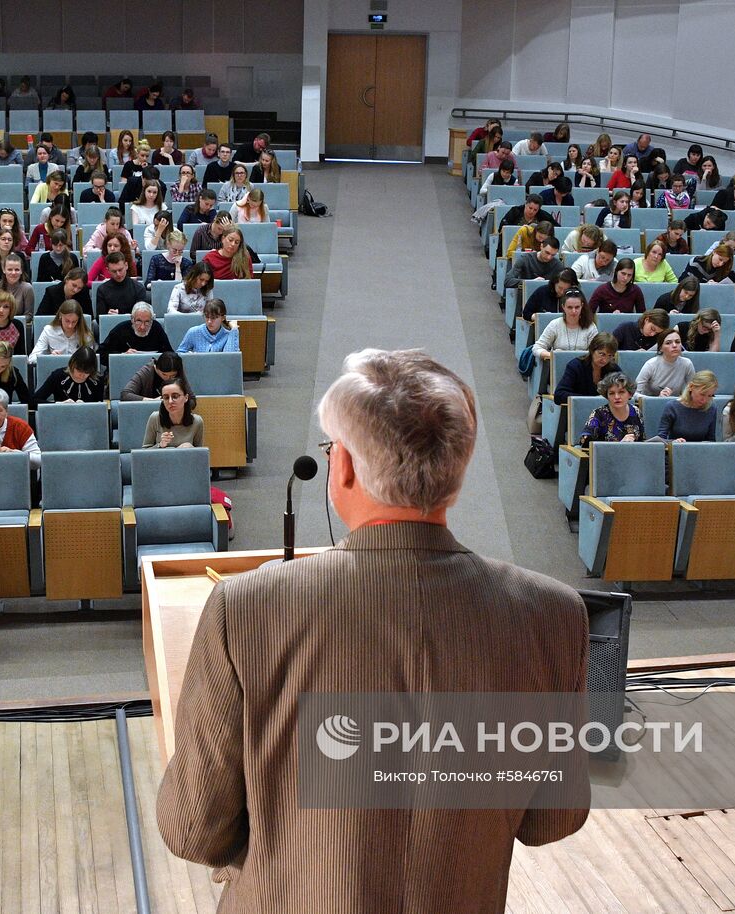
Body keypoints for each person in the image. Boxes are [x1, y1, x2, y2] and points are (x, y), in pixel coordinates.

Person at [162, 349, 590, 909]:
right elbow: (550, 818)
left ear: (341, 466)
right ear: (455, 474)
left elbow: (193, 828)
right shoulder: (554, 615)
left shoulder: (245, 607)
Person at [97, 302, 173, 367]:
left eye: (147, 322)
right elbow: (101, 354)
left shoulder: (156, 328)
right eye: (138, 321)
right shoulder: (121, 329)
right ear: (132, 319)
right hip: (124, 370)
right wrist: (122, 355)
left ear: (152, 320)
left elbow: (169, 353)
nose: (142, 327)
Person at [580, 371, 644, 444]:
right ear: (607, 396)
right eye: (611, 393)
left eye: (621, 392)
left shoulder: (636, 411)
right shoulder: (599, 414)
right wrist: (619, 444)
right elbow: (584, 442)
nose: (616, 397)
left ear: (630, 394)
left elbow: (641, 441)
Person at [658, 370, 720, 442]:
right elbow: (661, 440)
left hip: (701, 451)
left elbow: (711, 440)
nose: (705, 400)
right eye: (702, 394)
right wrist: (673, 442)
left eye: (710, 396)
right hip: (676, 450)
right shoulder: (672, 407)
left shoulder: (711, 408)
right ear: (691, 387)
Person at [635, 327, 695, 397]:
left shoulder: (687, 363)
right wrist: (656, 399)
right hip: (650, 405)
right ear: (661, 348)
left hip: (675, 404)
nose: (674, 345)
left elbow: (693, 390)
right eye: (668, 343)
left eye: (677, 342)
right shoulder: (651, 364)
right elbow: (634, 393)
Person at [30, 299, 93, 364]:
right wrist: (49, 358)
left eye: (74, 322)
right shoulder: (49, 331)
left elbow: (91, 360)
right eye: (67, 321)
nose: (70, 326)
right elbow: (32, 358)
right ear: (60, 315)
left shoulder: (85, 334)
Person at [34, 347, 104, 403]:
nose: (82, 375)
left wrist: (86, 407)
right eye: (79, 370)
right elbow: (34, 400)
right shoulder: (58, 376)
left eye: (87, 372)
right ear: (72, 364)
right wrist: (58, 405)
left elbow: (100, 408)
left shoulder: (97, 380)